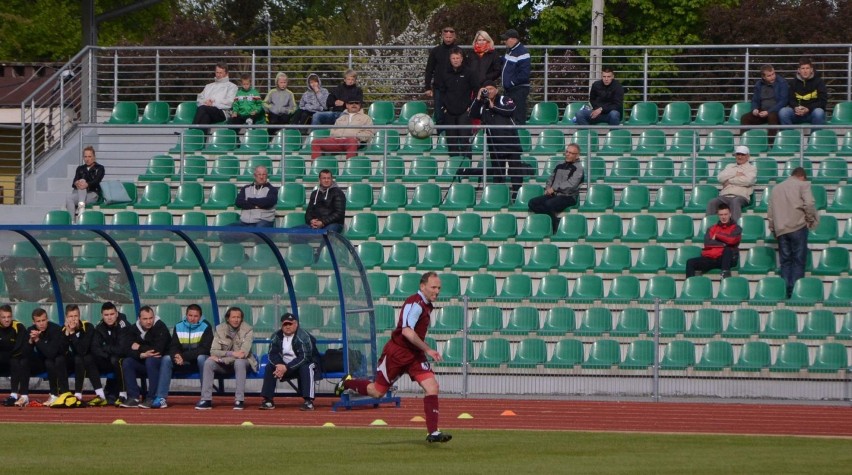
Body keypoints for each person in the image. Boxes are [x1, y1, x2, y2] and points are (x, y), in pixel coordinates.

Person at [337, 272, 451, 443]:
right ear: (422, 286)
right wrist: (428, 349)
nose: (437, 291)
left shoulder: (426, 304)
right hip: (396, 353)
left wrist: (422, 351)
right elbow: (406, 331)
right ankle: (346, 382)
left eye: (439, 288)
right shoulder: (415, 304)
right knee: (377, 392)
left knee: (432, 386)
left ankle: (433, 432)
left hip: (414, 355)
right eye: (433, 287)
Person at [147, 304, 213, 409]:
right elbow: (173, 346)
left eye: (196, 316)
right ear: (186, 315)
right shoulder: (179, 326)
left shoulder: (206, 327)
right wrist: (176, 355)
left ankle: (206, 398)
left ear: (200, 316)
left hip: (197, 361)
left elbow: (205, 349)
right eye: (190, 315)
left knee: (202, 358)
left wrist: (183, 356)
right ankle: (161, 397)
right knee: (166, 359)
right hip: (181, 360)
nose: (192, 318)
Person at [767, 167, 819, 298]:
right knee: (798, 260)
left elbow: (770, 211)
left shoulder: (776, 188)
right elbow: (809, 204)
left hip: (781, 229)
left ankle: (785, 291)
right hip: (798, 226)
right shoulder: (803, 185)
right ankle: (796, 291)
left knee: (785, 261)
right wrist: (811, 219)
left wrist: (773, 227)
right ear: (802, 176)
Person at [469, 80, 525, 199]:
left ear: (496, 90)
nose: (489, 91)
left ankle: (517, 196)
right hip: (494, 144)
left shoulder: (504, 99)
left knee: (516, 172)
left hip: (511, 142)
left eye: (491, 89)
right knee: (498, 173)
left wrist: (493, 107)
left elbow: (510, 110)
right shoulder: (483, 104)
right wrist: (478, 98)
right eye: (486, 89)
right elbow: (472, 114)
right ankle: (499, 197)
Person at [196, 307, 258, 410]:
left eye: (238, 317)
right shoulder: (220, 329)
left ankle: (239, 400)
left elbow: (243, 354)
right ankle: (206, 399)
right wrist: (231, 353)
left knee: (239, 362)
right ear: (228, 318)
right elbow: (213, 351)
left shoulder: (248, 330)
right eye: (233, 317)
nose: (236, 319)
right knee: (209, 362)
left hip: (242, 363)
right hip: (224, 364)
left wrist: (222, 359)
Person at [259, 313, 322, 411]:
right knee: (269, 367)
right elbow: (272, 354)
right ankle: (268, 400)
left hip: (305, 363)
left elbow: (305, 357)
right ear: (282, 325)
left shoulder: (303, 336)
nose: (288, 326)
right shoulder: (276, 336)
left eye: (290, 324)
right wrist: (279, 365)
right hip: (284, 366)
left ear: (296, 324)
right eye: (285, 324)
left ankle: (308, 401)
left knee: (307, 367)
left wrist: (286, 368)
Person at [119, 305, 170, 408]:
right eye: (145, 319)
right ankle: (134, 397)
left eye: (151, 318)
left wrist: (139, 347)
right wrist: (141, 355)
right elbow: (126, 349)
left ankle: (151, 397)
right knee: (127, 362)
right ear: (139, 319)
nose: (148, 321)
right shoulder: (133, 328)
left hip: (161, 364)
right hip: (143, 362)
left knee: (151, 360)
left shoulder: (160, 326)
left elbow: (158, 350)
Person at [528, 143, 584, 232]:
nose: (567, 154)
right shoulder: (559, 164)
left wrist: (554, 189)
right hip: (554, 194)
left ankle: (553, 226)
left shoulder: (579, 168)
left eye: (571, 153)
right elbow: (551, 178)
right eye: (567, 152)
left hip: (568, 196)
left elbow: (571, 184)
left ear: (577, 156)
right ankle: (555, 220)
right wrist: (548, 188)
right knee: (532, 203)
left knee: (548, 204)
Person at [62, 304, 108, 406]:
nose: (73, 319)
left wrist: (73, 333)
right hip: (73, 362)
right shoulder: (63, 329)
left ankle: (96, 395)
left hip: (91, 360)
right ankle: (68, 394)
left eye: (76, 316)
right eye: (70, 316)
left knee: (85, 357)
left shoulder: (88, 327)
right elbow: (62, 350)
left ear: (79, 316)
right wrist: (67, 334)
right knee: (72, 359)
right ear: (66, 317)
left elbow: (83, 350)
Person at [685, 203, 742, 279]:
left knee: (728, 250)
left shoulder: (736, 228)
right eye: (721, 215)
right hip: (711, 258)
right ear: (718, 215)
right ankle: (691, 286)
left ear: (730, 214)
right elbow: (708, 243)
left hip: (726, 259)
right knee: (690, 262)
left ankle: (725, 276)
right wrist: (725, 243)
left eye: (725, 214)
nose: (723, 217)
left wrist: (718, 236)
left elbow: (732, 241)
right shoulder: (712, 228)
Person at [28, 307, 71, 406]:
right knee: (45, 362)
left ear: (47, 319)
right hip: (44, 361)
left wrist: (38, 340)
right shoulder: (31, 330)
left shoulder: (55, 329)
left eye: (43, 320)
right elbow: (26, 352)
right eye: (38, 321)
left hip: (62, 359)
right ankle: (24, 396)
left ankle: (63, 393)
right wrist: (30, 341)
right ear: (34, 322)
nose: (41, 323)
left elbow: (51, 353)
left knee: (55, 360)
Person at [441, 47, 478, 160]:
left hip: (464, 111)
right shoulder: (444, 73)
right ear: (450, 59)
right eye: (453, 58)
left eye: (458, 58)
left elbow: (476, 91)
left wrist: (470, 107)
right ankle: (454, 165)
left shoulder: (469, 73)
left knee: (464, 139)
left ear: (462, 59)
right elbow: (441, 92)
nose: (456, 60)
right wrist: (444, 107)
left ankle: (467, 166)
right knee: (451, 140)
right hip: (449, 112)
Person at [91, 301, 130, 406]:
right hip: (108, 358)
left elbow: (122, 349)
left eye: (112, 314)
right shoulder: (99, 326)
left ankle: (123, 394)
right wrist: (107, 353)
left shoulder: (123, 325)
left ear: (116, 314)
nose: (109, 317)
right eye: (106, 315)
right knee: (88, 359)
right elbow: (95, 347)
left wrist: (106, 348)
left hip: (124, 359)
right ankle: (101, 395)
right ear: (102, 315)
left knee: (116, 360)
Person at [705, 145, 756, 223]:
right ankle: (710, 228)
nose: (740, 157)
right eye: (738, 154)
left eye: (743, 155)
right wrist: (736, 173)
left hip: (741, 196)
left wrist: (730, 181)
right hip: (725, 196)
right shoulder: (729, 166)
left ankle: (734, 229)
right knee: (712, 202)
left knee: (735, 202)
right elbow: (720, 178)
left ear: (748, 156)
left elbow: (748, 181)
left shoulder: (751, 168)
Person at [740, 64, 789, 142]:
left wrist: (768, 112)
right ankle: (744, 143)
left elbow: (783, 101)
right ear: (763, 77)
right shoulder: (759, 84)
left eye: (773, 74)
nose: (773, 77)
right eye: (769, 76)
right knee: (745, 118)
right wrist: (754, 109)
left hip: (775, 111)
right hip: (762, 111)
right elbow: (755, 100)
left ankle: (771, 144)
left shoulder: (782, 83)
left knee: (772, 116)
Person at [779, 57, 827, 126]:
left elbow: (823, 101)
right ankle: (790, 135)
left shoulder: (819, 82)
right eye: (803, 68)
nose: (805, 71)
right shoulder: (793, 83)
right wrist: (796, 107)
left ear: (811, 70)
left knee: (819, 112)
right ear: (799, 70)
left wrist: (808, 109)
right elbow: (790, 99)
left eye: (807, 68)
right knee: (783, 112)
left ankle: (814, 136)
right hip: (797, 113)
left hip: (812, 113)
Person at [424, 26, 458, 124]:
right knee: (439, 114)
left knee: (453, 113)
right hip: (439, 87)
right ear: (442, 37)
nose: (448, 39)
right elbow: (429, 69)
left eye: (450, 37)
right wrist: (427, 87)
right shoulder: (436, 51)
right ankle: (441, 137)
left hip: (454, 88)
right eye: (446, 37)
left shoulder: (458, 51)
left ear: (454, 37)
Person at [0, 304, 32, 407]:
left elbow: (19, 348)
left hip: (14, 358)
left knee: (20, 360)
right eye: (3, 317)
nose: (6, 320)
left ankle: (16, 395)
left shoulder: (18, 327)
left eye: (9, 317)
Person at [193, 62, 238, 129]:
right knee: (205, 117)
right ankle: (199, 138)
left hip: (223, 112)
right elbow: (199, 100)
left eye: (221, 73)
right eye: (217, 72)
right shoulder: (208, 86)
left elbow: (230, 103)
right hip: (208, 111)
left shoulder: (232, 87)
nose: (218, 75)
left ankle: (189, 132)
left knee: (203, 108)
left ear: (226, 74)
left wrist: (213, 104)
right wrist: (206, 102)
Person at [500, 29, 531, 125]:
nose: (504, 41)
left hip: (518, 89)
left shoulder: (522, 52)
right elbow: (505, 63)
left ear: (514, 39)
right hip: (511, 89)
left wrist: (511, 83)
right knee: (511, 116)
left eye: (506, 39)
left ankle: (520, 135)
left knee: (518, 116)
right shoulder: (511, 51)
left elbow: (524, 74)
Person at [65, 146, 105, 221]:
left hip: (92, 194)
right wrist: (77, 183)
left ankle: (81, 205)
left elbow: (96, 181)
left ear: (94, 157)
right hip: (81, 194)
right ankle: (72, 221)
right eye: (85, 156)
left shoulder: (100, 168)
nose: (87, 159)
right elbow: (73, 183)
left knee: (83, 181)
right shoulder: (80, 168)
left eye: (89, 156)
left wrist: (87, 184)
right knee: (69, 198)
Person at [301, 169, 346, 234]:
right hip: (316, 224)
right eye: (324, 178)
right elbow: (308, 212)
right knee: (293, 232)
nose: (326, 180)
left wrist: (322, 222)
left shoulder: (338, 193)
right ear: (319, 180)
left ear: (331, 179)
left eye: (328, 178)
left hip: (333, 224)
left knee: (327, 234)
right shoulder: (314, 193)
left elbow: (339, 213)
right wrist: (311, 220)